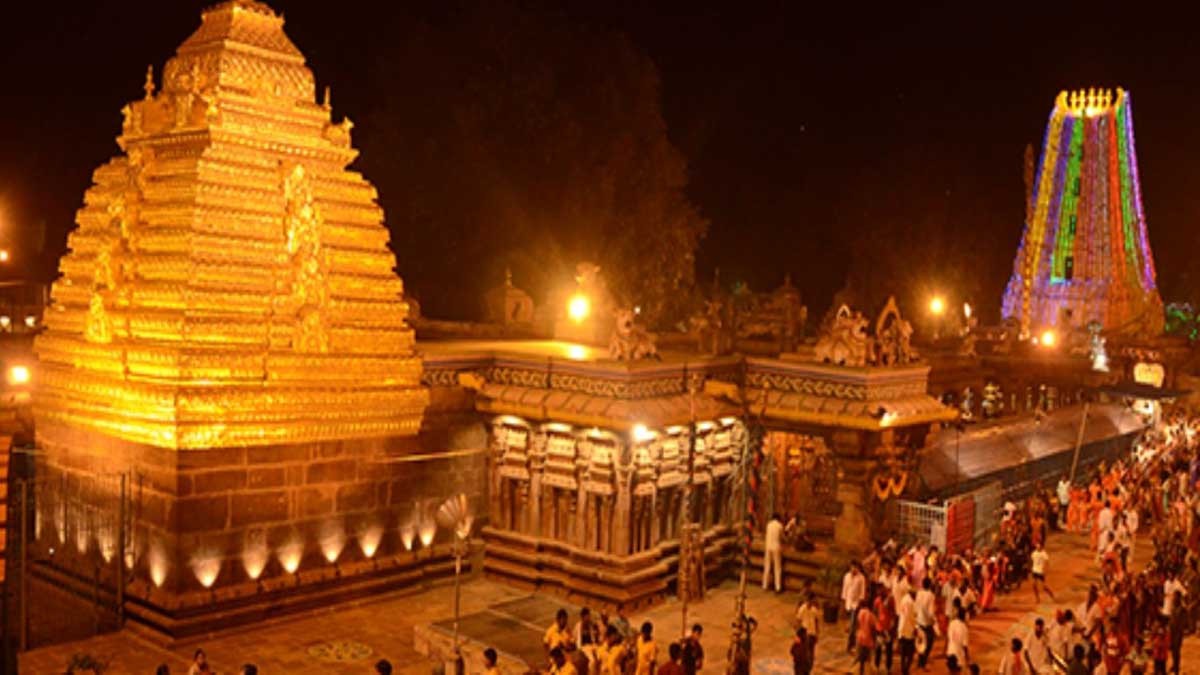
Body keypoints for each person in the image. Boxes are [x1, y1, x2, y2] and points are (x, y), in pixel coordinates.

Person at [843, 562, 866, 651]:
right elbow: (845, 590)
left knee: (853, 625)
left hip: (855, 604)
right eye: (852, 567)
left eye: (855, 567)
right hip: (848, 603)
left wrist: (859, 604)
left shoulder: (861, 578)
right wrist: (844, 602)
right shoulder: (847, 576)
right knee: (850, 625)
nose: (853, 569)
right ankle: (851, 642)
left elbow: (862, 593)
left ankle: (850, 644)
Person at [915, 577, 936, 668]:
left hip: (919, 621)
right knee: (929, 642)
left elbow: (916, 607)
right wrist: (934, 620)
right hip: (927, 623)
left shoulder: (919, 593)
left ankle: (920, 660)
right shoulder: (931, 595)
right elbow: (931, 611)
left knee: (921, 642)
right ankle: (923, 660)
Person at [896, 587, 917, 675]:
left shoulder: (904, 599)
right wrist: (915, 627)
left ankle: (903, 668)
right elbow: (910, 616)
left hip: (902, 628)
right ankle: (906, 669)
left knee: (903, 652)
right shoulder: (910, 602)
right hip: (908, 629)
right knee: (911, 652)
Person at [794, 594, 820, 662]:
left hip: (812, 632)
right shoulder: (802, 609)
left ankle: (810, 661)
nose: (810, 603)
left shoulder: (814, 610)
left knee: (811, 648)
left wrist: (817, 632)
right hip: (805, 631)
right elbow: (798, 620)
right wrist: (798, 633)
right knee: (806, 648)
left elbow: (816, 621)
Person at [854, 599, 876, 675]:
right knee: (867, 658)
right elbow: (873, 629)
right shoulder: (871, 615)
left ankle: (859, 672)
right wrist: (874, 640)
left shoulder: (860, 613)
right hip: (868, 639)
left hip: (860, 637)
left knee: (859, 657)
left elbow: (857, 625)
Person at [575, 608, 600, 674]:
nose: (589, 618)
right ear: (582, 617)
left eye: (589, 616)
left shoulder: (590, 625)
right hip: (584, 647)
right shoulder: (578, 626)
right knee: (592, 661)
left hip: (592, 645)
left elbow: (593, 637)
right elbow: (575, 638)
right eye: (587, 616)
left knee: (600, 655)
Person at [763, 513, 784, 592]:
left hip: (768, 546)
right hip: (776, 547)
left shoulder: (768, 525)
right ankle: (778, 587)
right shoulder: (780, 526)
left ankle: (765, 585)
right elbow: (782, 537)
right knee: (777, 567)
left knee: (767, 566)